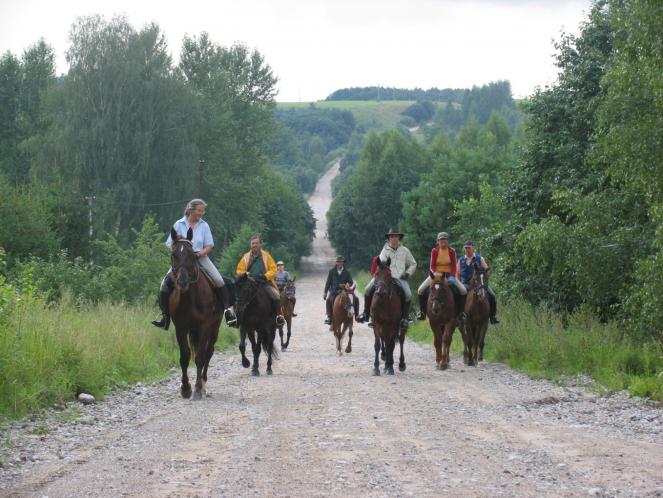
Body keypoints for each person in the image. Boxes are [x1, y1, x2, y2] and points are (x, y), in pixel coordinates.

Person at [151, 198, 236, 330]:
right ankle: (165, 317)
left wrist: (198, 254)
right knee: (164, 285)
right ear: (191, 210)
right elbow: (169, 243)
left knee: (219, 280)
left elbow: (209, 246)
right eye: (199, 210)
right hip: (182, 260)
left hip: (199, 257)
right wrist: (178, 250)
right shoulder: (178, 224)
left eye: (203, 211)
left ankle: (227, 311)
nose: (202, 213)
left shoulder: (204, 225)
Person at [359, 228, 416, 330]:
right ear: (389, 238)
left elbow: (413, 263)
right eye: (392, 236)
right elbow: (381, 262)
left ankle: (405, 318)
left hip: (400, 278)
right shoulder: (384, 250)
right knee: (367, 289)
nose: (394, 238)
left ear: (399, 238)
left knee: (408, 294)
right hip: (385, 278)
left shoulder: (405, 250)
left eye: (396, 236)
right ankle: (366, 313)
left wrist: (407, 273)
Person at [416, 232, 466, 321]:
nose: (443, 241)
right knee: (420, 290)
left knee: (463, 290)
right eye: (441, 239)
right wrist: (435, 274)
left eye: (445, 239)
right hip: (436, 274)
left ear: (448, 241)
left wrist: (452, 276)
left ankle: (461, 313)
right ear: (438, 241)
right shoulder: (434, 251)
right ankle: (422, 312)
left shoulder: (452, 251)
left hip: (449, 274)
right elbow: (432, 265)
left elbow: (454, 265)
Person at [236, 235, 285, 326]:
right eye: (253, 243)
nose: (254, 245)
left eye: (256, 243)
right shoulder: (245, 257)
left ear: (260, 244)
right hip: (249, 283)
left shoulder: (266, 256)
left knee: (276, 294)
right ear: (250, 244)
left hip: (264, 282)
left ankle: (278, 316)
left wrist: (265, 276)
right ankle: (237, 318)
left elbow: (273, 269)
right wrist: (246, 275)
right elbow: (239, 270)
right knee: (239, 297)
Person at [458, 240, 500, 324]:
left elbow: (487, 270)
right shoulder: (461, 260)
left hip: (479, 283)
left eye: (469, 248)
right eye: (465, 248)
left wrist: (484, 279)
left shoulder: (479, 258)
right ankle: (459, 316)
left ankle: (492, 316)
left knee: (492, 295)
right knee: (458, 295)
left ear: (473, 248)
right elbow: (458, 273)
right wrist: (459, 283)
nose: (467, 250)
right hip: (465, 283)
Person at [323, 256, 359, 324]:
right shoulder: (331, 272)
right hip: (334, 291)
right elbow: (328, 283)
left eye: (341, 262)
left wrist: (348, 284)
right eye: (338, 262)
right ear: (336, 263)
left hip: (344, 291)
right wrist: (325, 292)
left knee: (356, 299)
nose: (340, 263)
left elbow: (351, 281)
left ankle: (356, 316)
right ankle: (329, 316)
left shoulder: (347, 272)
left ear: (343, 263)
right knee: (328, 300)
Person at [356, 255, 380, 326]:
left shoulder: (393, 257)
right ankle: (366, 313)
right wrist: (375, 276)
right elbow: (372, 270)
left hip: (390, 278)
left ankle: (405, 316)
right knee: (367, 290)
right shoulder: (377, 258)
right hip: (377, 278)